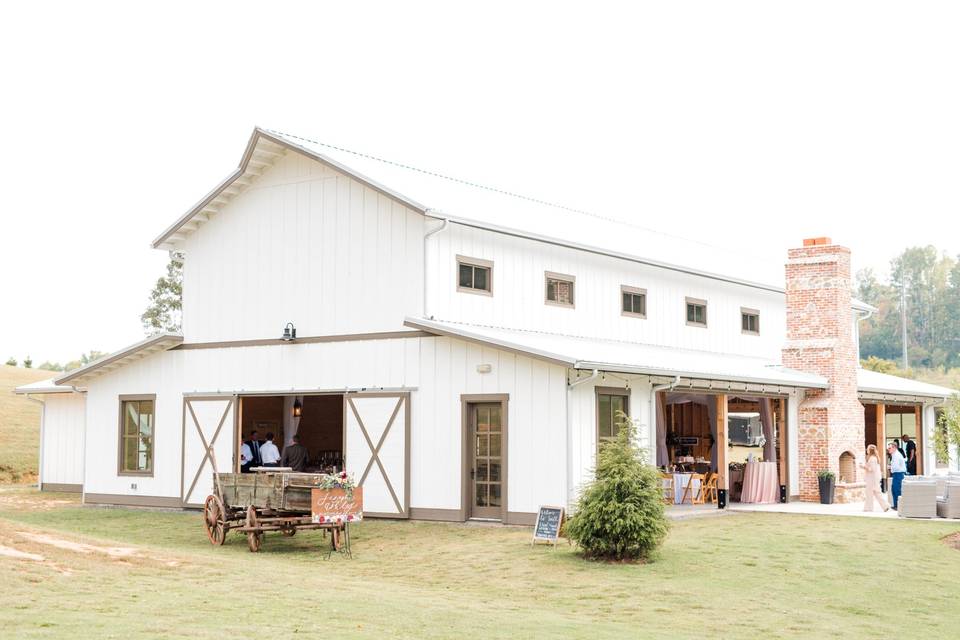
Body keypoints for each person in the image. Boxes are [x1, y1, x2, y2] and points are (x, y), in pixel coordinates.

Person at [860, 444, 889, 513]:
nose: (866, 450)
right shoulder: (874, 458)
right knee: (877, 493)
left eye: (867, 448)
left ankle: (868, 508)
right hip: (874, 478)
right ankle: (885, 506)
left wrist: (863, 466)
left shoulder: (872, 459)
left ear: (870, 450)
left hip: (872, 479)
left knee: (869, 493)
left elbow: (872, 469)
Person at [887, 442, 907, 510]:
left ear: (894, 448)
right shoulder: (894, 455)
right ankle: (896, 505)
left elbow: (896, 467)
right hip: (896, 474)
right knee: (894, 490)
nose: (888, 449)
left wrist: (890, 467)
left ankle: (899, 506)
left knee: (897, 490)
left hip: (898, 474)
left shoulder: (896, 455)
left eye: (890, 448)